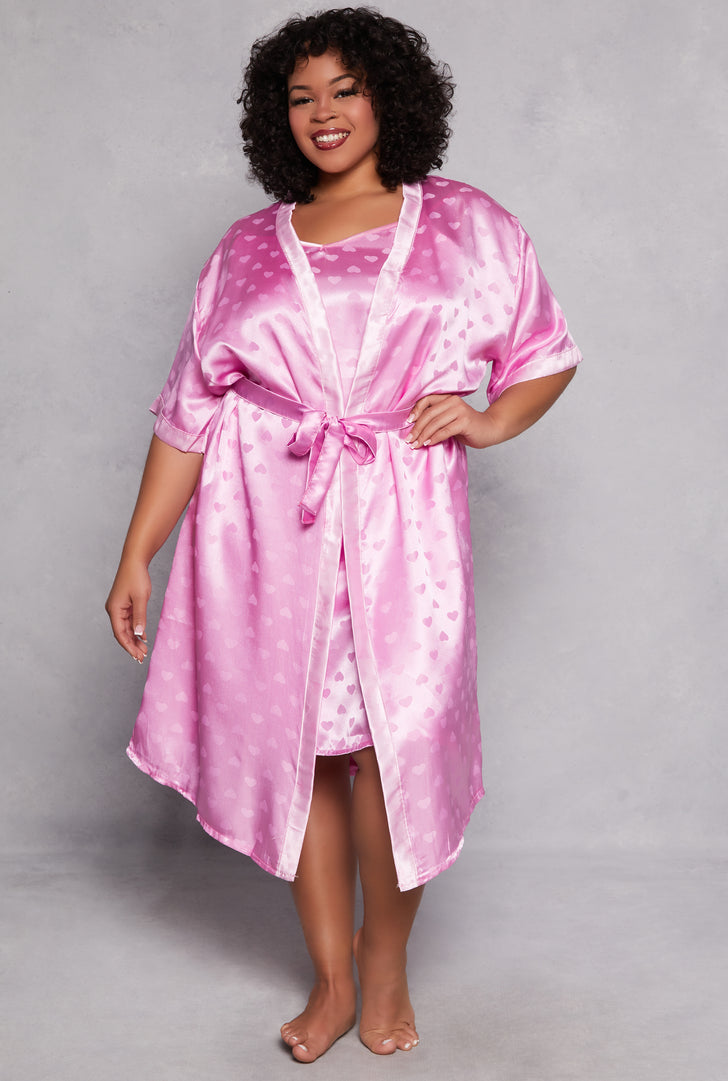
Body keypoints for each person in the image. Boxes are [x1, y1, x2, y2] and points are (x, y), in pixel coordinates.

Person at [106, 6, 581, 1064]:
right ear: (275, 117)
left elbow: (543, 351)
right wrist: (138, 551)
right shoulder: (245, 248)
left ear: (387, 97)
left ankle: (384, 961)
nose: (322, 112)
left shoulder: (464, 224)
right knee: (305, 755)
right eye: (300, 96)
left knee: (389, 747)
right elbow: (188, 412)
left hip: (403, 523)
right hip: (263, 525)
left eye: (345, 88)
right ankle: (329, 977)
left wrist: (487, 418)